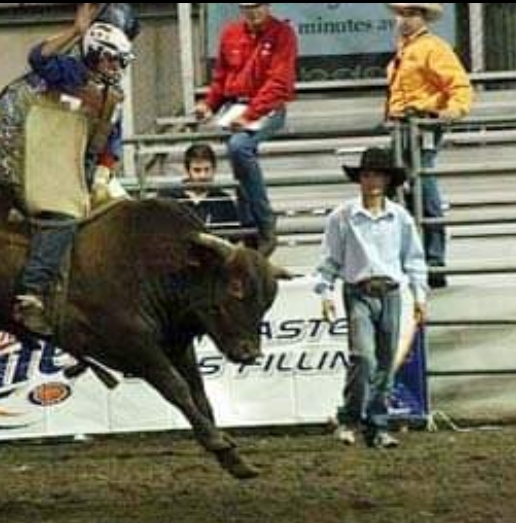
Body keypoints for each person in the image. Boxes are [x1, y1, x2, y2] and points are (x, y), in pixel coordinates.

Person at [0, 4, 139, 337]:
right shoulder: (67, 73)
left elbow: (112, 140)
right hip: (44, 158)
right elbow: (38, 57)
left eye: (119, 61)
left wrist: (104, 172)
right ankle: (32, 292)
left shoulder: (114, 97)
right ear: (94, 52)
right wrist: (75, 31)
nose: (115, 67)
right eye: (111, 59)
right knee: (64, 216)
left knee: (123, 214)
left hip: (81, 168)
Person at [314, 147, 428, 449]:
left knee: (384, 361)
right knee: (364, 357)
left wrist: (419, 296)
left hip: (391, 292)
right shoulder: (342, 217)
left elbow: (414, 260)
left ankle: (375, 424)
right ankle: (352, 418)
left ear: (387, 179)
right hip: (359, 291)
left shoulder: (399, 217)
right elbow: (329, 262)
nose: (372, 180)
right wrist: (325, 293)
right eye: (367, 175)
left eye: (378, 174)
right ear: (360, 179)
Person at [194, 3, 297, 257]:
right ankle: (251, 228)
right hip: (235, 105)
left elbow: (279, 83)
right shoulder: (230, 33)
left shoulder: (282, 33)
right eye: (247, 7)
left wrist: (251, 114)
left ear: (267, 6)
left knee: (239, 147)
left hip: (267, 106)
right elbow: (220, 78)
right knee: (239, 155)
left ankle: (262, 220)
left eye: (257, 6)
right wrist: (209, 104)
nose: (253, 12)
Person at [386, 3, 472, 288]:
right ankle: (417, 258)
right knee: (406, 189)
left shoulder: (433, 48)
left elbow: (459, 86)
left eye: (412, 14)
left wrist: (450, 112)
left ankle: (434, 261)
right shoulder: (407, 49)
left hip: (422, 123)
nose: (405, 20)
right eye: (402, 14)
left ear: (423, 18)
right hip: (402, 124)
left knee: (422, 184)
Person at [163, 143, 243, 234]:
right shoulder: (169, 198)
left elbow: (235, 238)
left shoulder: (224, 201)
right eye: (197, 170)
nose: (203, 175)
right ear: (187, 170)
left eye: (207, 169)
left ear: (214, 169)